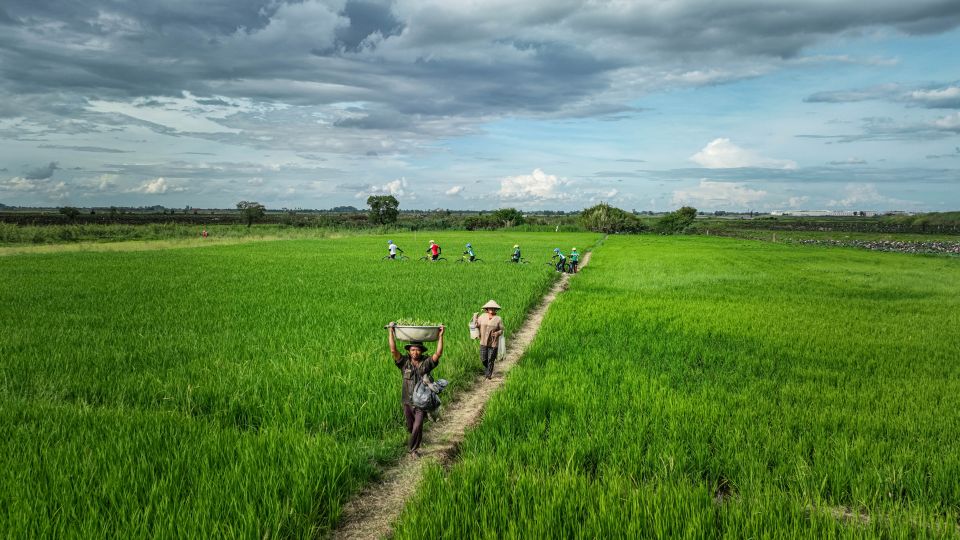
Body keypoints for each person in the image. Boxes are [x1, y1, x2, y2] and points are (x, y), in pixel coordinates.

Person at [388, 322, 445, 457]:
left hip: (421, 402)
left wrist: (441, 336)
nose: (415, 352)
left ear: (422, 351)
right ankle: (416, 440)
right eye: (413, 350)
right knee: (411, 426)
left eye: (418, 350)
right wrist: (390, 332)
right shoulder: (404, 363)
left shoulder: (426, 363)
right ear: (409, 351)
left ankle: (413, 450)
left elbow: (438, 353)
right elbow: (393, 351)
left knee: (418, 425)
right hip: (407, 400)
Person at [472, 300, 503, 380]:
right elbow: (476, 325)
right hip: (483, 342)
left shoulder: (498, 319)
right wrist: (475, 317)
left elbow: (501, 330)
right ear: (487, 309)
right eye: (490, 308)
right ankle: (488, 368)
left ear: (496, 309)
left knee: (491, 359)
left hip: (493, 343)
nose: (492, 310)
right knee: (483, 359)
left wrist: (497, 333)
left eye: (493, 308)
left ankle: (488, 374)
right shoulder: (482, 316)